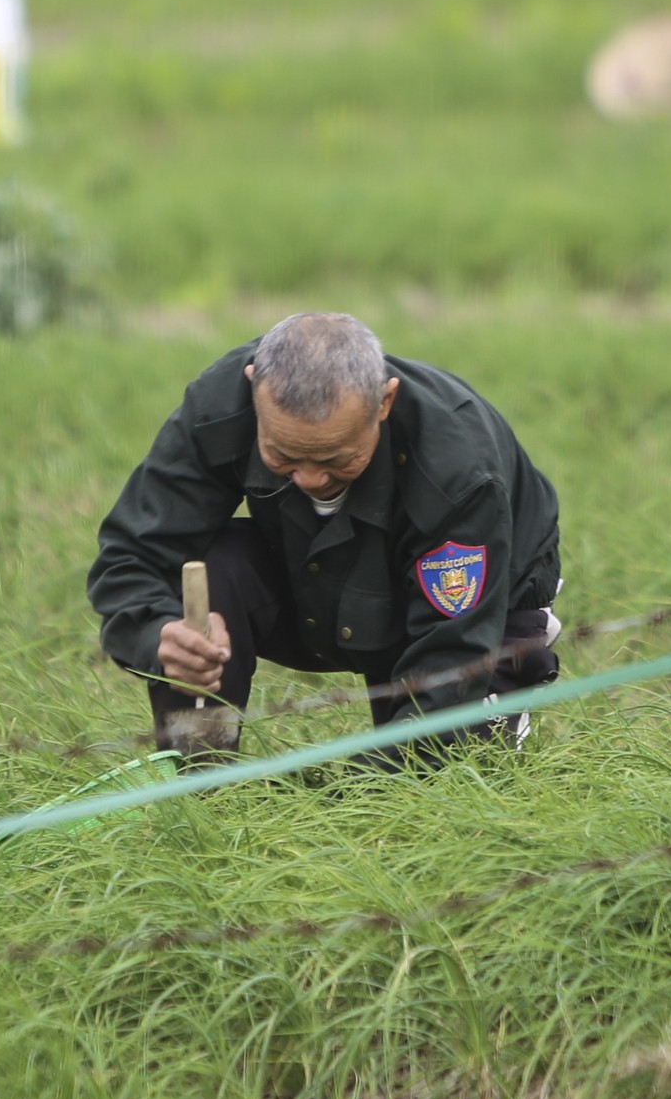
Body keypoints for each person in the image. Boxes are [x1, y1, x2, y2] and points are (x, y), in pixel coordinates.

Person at [87, 312, 562, 766]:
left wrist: (347, 793)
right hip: (313, 577)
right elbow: (130, 557)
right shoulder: (218, 408)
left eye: (338, 458)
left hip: (474, 609)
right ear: (254, 391)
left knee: (451, 776)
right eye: (283, 456)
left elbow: (454, 659)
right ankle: (200, 780)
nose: (311, 479)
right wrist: (158, 636)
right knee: (215, 565)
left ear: (384, 403)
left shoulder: (456, 467)